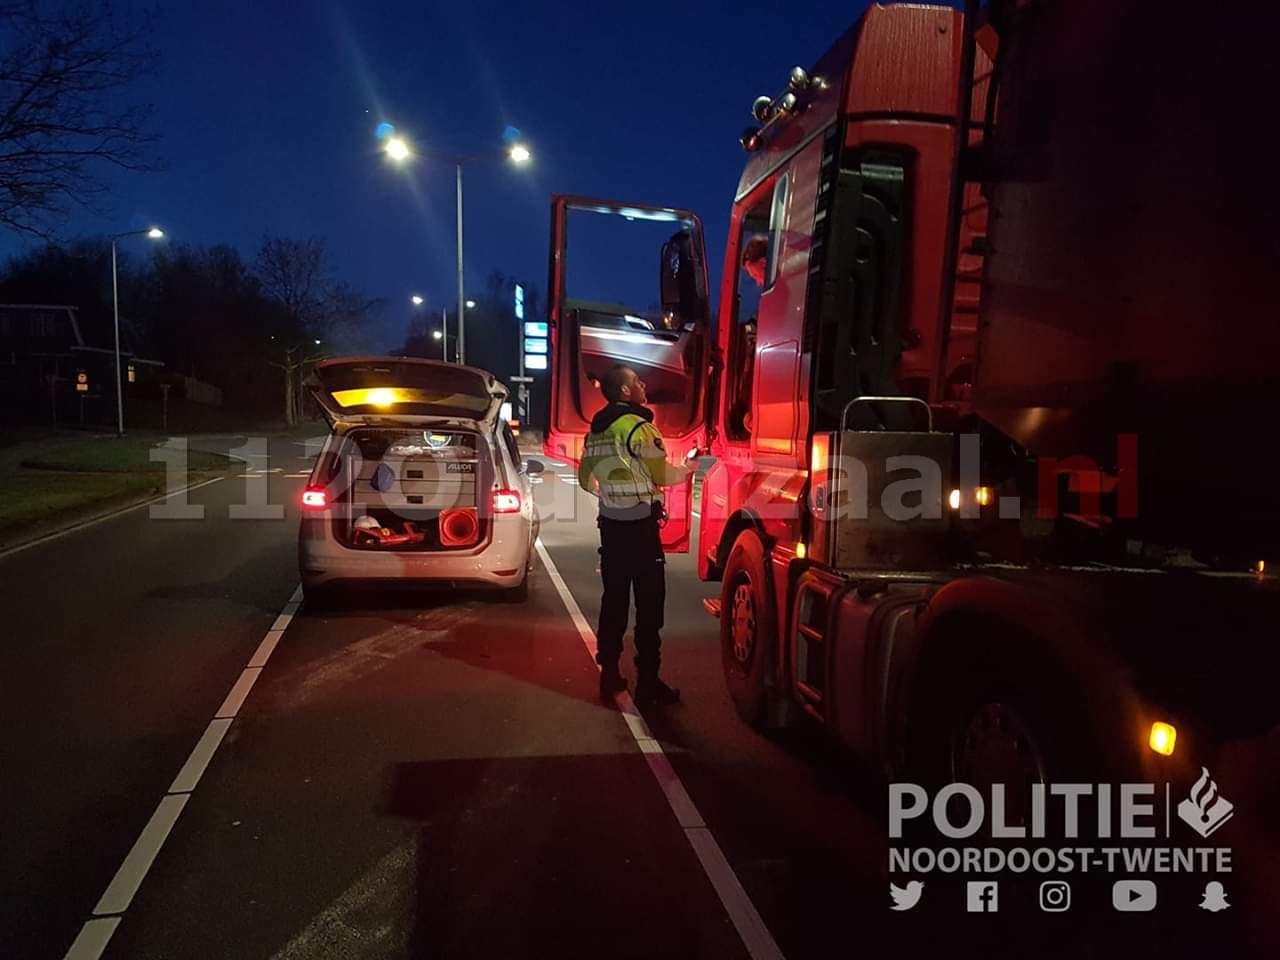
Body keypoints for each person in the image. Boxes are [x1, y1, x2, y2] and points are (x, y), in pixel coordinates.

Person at [577, 364, 684, 705]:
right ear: (625, 392)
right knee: (650, 605)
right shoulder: (639, 427)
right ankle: (648, 683)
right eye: (637, 381)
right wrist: (697, 468)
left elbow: (584, 479)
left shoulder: (595, 432)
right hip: (640, 530)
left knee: (614, 601)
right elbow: (664, 475)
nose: (643, 385)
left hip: (610, 528)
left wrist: (612, 493)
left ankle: (609, 675)